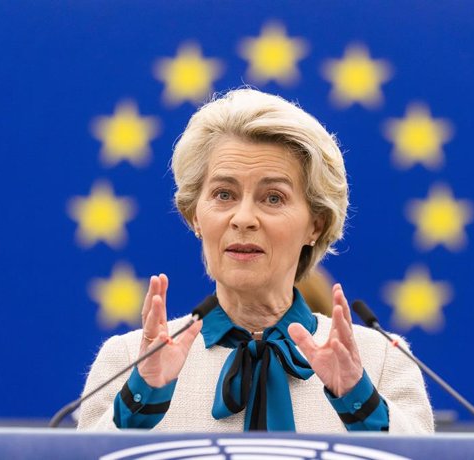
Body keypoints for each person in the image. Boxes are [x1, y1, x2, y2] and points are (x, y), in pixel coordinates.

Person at [77, 88, 434, 433]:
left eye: (273, 198)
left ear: (316, 223)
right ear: (194, 217)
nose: (243, 218)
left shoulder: (382, 360)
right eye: (224, 194)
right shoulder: (129, 360)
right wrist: (143, 398)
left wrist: (359, 399)